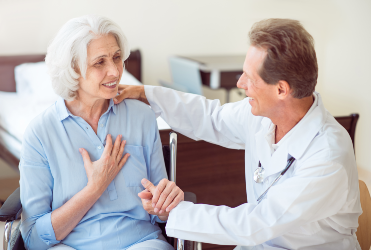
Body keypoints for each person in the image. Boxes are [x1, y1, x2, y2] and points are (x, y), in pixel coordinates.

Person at [115, 19, 362, 250]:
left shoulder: (328, 156)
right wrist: (144, 93)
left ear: (281, 89)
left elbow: (255, 223)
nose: (240, 83)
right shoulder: (261, 116)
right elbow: (211, 118)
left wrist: (176, 212)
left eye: (250, 78)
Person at [19, 15, 182, 250]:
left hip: (141, 242)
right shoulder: (40, 133)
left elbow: (161, 215)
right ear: (72, 69)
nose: (115, 71)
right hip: (70, 245)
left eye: (117, 58)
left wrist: (166, 206)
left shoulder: (142, 117)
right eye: (99, 63)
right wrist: (94, 188)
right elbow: (34, 238)